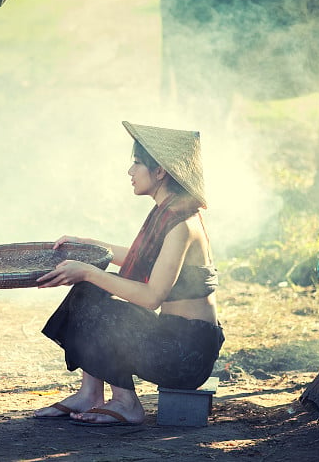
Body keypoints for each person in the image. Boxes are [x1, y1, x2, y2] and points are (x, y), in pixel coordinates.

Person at [33, 121, 224, 426]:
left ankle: (126, 403)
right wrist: (89, 247)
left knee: (101, 300)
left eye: (137, 163)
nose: (130, 171)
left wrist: (87, 271)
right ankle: (89, 394)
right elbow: (143, 259)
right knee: (89, 292)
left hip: (186, 355)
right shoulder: (168, 212)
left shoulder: (181, 223)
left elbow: (151, 297)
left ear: (160, 171)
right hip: (171, 337)